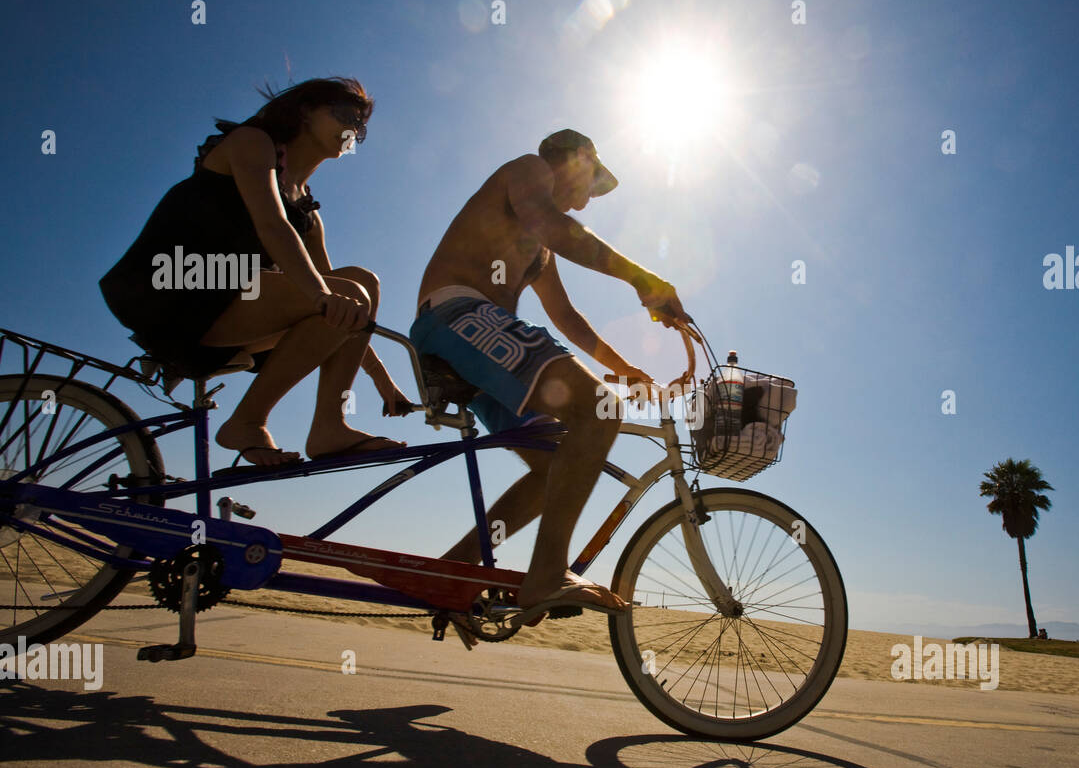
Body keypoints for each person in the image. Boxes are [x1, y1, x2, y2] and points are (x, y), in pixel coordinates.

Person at [412, 129, 690, 617]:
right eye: (589, 186)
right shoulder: (527, 170)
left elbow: (566, 318)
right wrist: (643, 279)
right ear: (576, 162)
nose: (585, 204)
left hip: (480, 340)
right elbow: (552, 223)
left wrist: (626, 370)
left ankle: (451, 572)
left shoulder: (540, 247)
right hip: (454, 315)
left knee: (556, 465)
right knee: (599, 409)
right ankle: (546, 576)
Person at [99, 77, 411, 468]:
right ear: (304, 110)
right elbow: (272, 224)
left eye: (361, 128)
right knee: (340, 292)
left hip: (227, 306)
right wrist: (319, 296)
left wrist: (383, 382)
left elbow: (347, 311)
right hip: (171, 289)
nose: (354, 130)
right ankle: (248, 421)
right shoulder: (252, 142)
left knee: (362, 282)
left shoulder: (308, 211)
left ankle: (329, 427)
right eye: (347, 115)